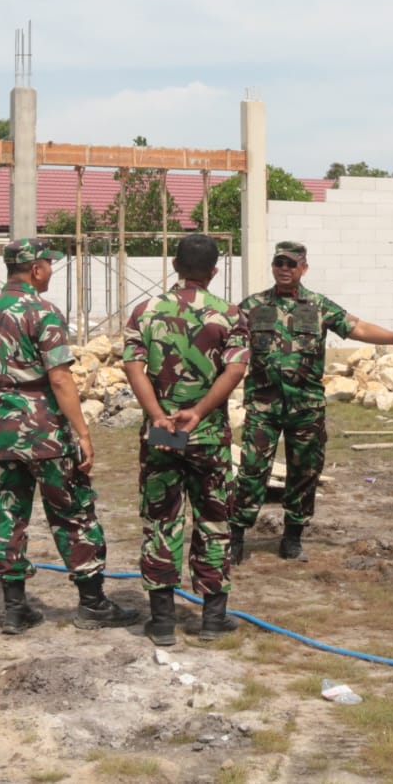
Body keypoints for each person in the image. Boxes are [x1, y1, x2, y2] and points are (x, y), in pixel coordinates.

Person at [0, 237, 140, 635]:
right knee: (73, 513)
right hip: (46, 436)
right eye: (49, 266)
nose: (50, 272)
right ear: (36, 269)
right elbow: (60, 377)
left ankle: (14, 609)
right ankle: (92, 604)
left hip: (0, 436)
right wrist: (83, 432)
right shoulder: (43, 312)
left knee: (8, 516)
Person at [228, 240, 393, 564]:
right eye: (279, 262)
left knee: (305, 470)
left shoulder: (319, 306)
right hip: (263, 407)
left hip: (306, 408)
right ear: (272, 266)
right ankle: (236, 535)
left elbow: (358, 327)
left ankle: (292, 536)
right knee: (252, 470)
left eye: (291, 264)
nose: (284, 269)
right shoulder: (252, 307)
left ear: (303, 268)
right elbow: (225, 339)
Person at [122, 234, 250, 645]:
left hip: (161, 435)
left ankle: (162, 622)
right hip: (208, 435)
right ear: (214, 272)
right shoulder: (229, 316)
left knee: (162, 519)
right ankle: (213, 619)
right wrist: (198, 413)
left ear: (175, 265)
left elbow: (133, 366)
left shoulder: (146, 311)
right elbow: (235, 371)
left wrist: (159, 415)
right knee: (214, 520)